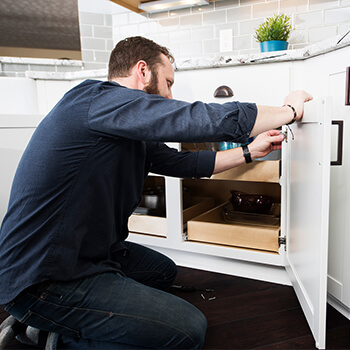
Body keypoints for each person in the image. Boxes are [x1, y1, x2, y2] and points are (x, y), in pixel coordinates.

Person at [0, 36, 312, 349]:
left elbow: (185, 163)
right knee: (189, 331)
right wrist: (288, 109)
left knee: (162, 271)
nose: (170, 94)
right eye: (168, 82)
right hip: (44, 276)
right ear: (143, 71)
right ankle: (54, 334)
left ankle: (63, 319)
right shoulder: (96, 100)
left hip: (87, 254)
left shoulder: (122, 125)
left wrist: (250, 151)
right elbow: (195, 118)